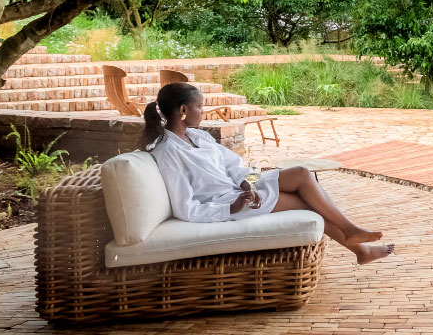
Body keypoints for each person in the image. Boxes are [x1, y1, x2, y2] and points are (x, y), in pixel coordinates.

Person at [138, 81, 394, 265]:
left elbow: (234, 165)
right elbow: (185, 206)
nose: (202, 113)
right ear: (183, 110)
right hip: (227, 202)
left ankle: (352, 233)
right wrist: (233, 207)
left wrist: (247, 184)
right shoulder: (168, 151)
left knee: (302, 173)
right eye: (200, 107)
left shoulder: (198, 136)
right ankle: (359, 248)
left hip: (241, 190)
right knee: (308, 203)